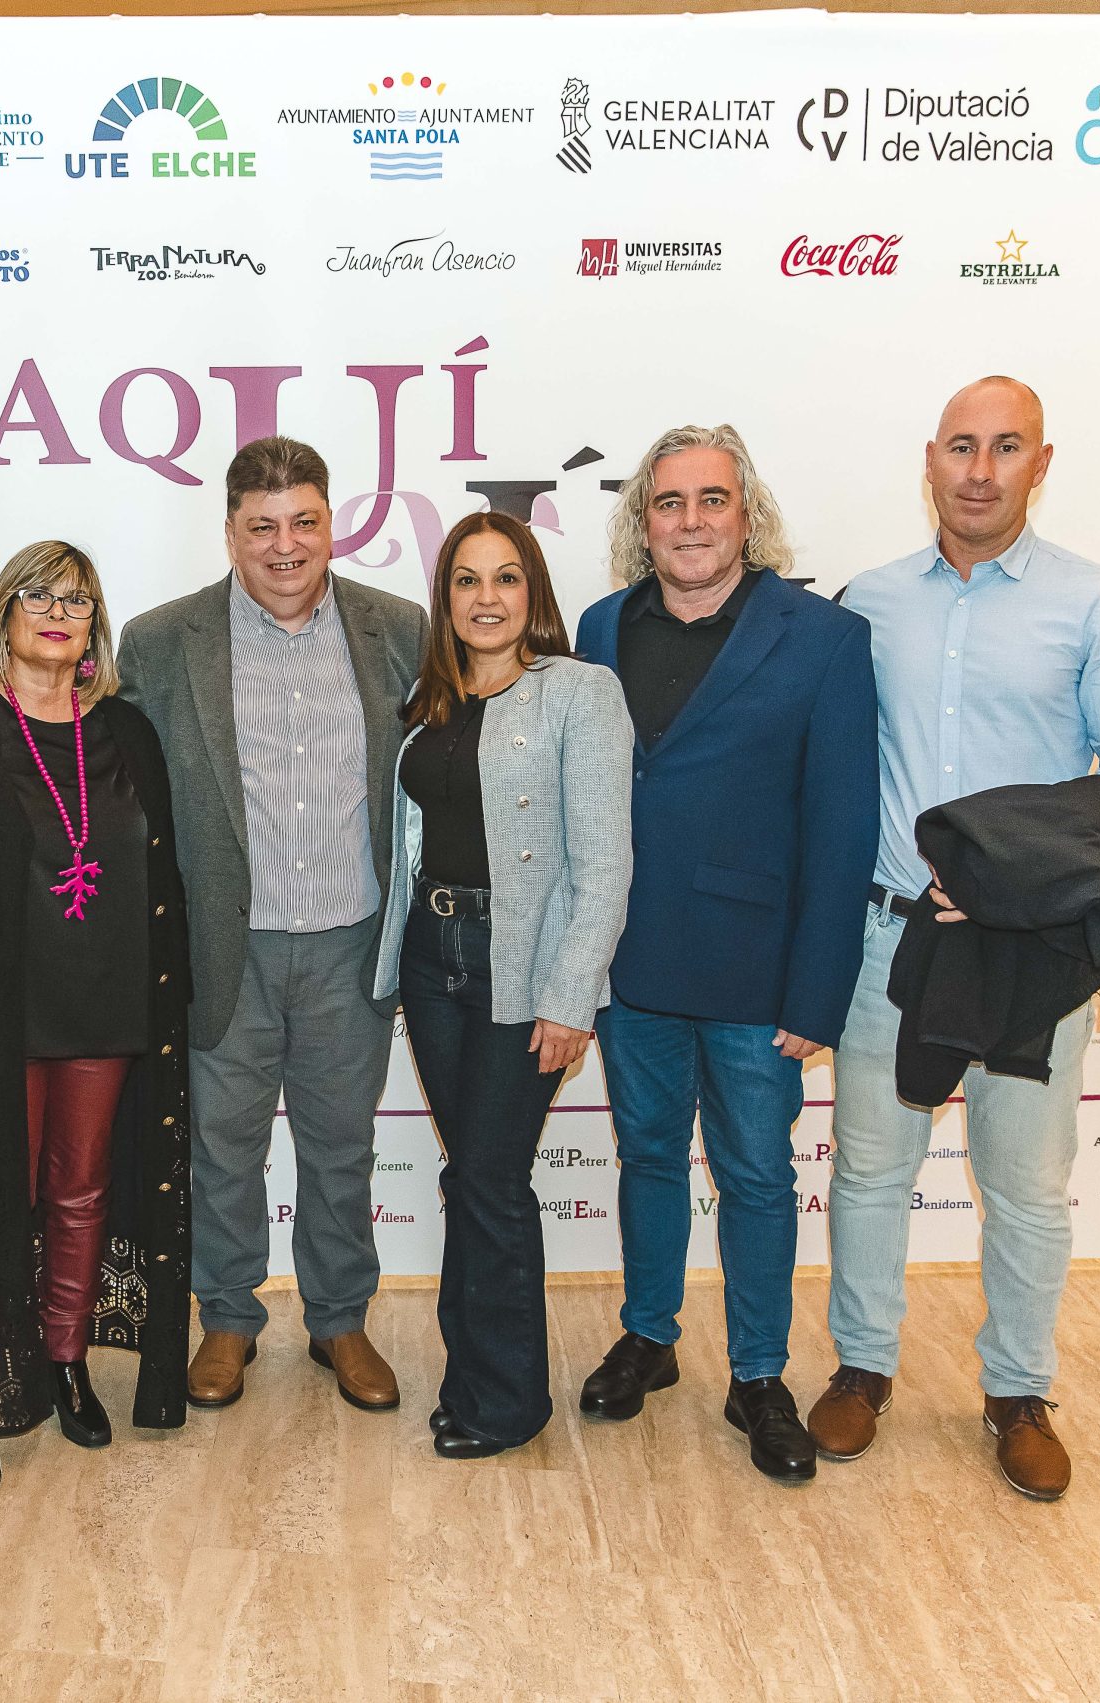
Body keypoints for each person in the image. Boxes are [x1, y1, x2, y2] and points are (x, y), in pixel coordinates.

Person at [810, 377, 1100, 1501]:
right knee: (870, 1168)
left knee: (1024, 1183)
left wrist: (1016, 872)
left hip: (1030, 951)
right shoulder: (866, 603)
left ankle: (1018, 1390)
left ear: (1041, 462)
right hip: (891, 938)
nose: (980, 470)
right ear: (929, 460)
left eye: (1006, 446)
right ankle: (862, 1366)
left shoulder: (1097, 601)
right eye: (962, 447)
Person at [571, 426, 877, 1483]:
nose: (690, 521)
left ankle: (758, 1374)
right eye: (669, 502)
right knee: (647, 1155)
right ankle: (648, 1335)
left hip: (757, 972)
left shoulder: (824, 637)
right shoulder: (602, 626)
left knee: (753, 1174)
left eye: (712, 499)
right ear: (642, 521)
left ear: (747, 514)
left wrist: (817, 991)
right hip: (631, 959)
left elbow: (844, 824)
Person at [117, 436, 427, 1413]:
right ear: (230, 533)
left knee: (341, 1145)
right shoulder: (161, 642)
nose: (284, 545)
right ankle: (227, 1317)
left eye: (303, 521)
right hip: (225, 942)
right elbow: (127, 806)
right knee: (222, 1145)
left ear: (332, 524)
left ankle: (339, 1317)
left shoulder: (400, 629)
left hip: (350, 935)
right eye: (262, 526)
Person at [0, 542, 194, 1496]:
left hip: (110, 1003)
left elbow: (163, 867)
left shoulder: (129, 732)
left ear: (95, 624)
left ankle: (64, 1360)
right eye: (38, 596)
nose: (58, 613)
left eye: (76, 599)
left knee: (80, 1190)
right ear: (3, 615)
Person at [370, 511, 633, 1459]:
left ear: (534, 593)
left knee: (489, 1176)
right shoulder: (428, 700)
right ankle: (470, 1379)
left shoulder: (581, 692)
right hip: (430, 957)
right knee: (469, 1173)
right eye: (467, 580)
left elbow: (605, 865)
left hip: (520, 964)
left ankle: (510, 1400)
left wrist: (571, 998)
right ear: (445, 598)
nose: (487, 598)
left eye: (507, 577)